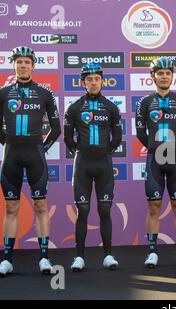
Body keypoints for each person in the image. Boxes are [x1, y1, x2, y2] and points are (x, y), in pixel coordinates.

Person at [0, 46, 61, 277]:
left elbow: (56, 129)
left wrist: (40, 148)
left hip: (35, 156)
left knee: (40, 206)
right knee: (11, 208)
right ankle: (7, 260)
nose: (23, 65)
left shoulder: (44, 93)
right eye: (19, 62)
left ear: (33, 66)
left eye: (27, 62)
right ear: (13, 64)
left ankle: (44, 258)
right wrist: (11, 145)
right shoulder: (1, 93)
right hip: (11, 155)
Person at [64, 63, 122, 271]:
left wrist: (104, 152)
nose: (93, 82)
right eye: (89, 79)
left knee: (105, 209)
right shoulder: (74, 107)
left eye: (97, 79)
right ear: (83, 83)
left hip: (104, 163)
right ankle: (79, 257)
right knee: (83, 209)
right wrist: (81, 152)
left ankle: (108, 255)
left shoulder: (111, 107)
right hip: (83, 164)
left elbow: (118, 138)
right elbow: (68, 139)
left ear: (102, 81)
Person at [135, 57, 176, 268]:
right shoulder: (144, 102)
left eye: (168, 73)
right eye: (160, 73)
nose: (164, 76)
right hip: (154, 159)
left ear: (172, 76)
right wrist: (154, 146)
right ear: (153, 77)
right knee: (154, 206)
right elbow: (141, 132)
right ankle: (152, 252)